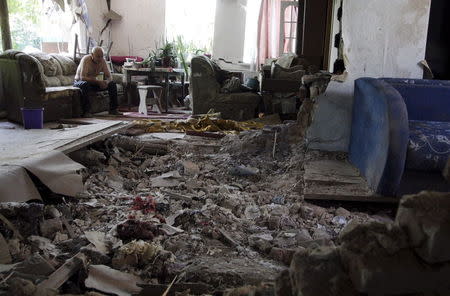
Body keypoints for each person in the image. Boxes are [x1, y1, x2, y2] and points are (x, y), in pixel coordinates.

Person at [74, 47, 121, 117]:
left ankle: (113, 109)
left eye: (102, 56)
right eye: (98, 56)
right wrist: (98, 82)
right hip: (80, 82)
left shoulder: (102, 61)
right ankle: (86, 111)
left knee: (112, 84)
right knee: (85, 85)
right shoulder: (86, 59)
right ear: (92, 55)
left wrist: (106, 82)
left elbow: (109, 77)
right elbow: (82, 77)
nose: (100, 59)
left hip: (94, 82)